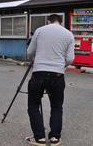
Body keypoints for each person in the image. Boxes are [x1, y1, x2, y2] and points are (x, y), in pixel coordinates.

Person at [25, 14, 75, 146]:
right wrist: (60, 66)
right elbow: (70, 59)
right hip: (57, 74)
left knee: (33, 105)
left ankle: (39, 138)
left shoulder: (40, 30)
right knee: (57, 106)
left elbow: (30, 52)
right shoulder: (69, 34)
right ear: (61, 22)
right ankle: (55, 138)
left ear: (48, 21)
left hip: (39, 72)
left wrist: (34, 62)